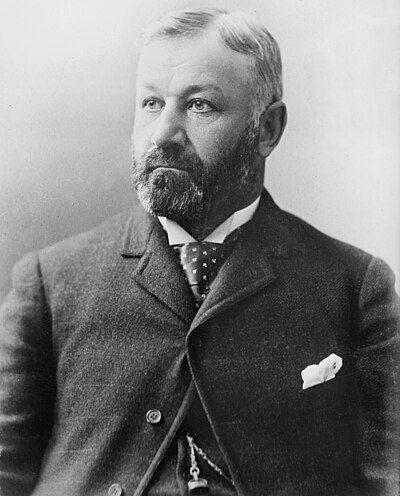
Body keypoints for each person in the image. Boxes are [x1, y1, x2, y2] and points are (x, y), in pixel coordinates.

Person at [0, 7, 399, 496]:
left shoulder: (354, 287)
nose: (162, 134)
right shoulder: (51, 282)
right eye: (151, 103)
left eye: (199, 106)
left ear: (268, 129)